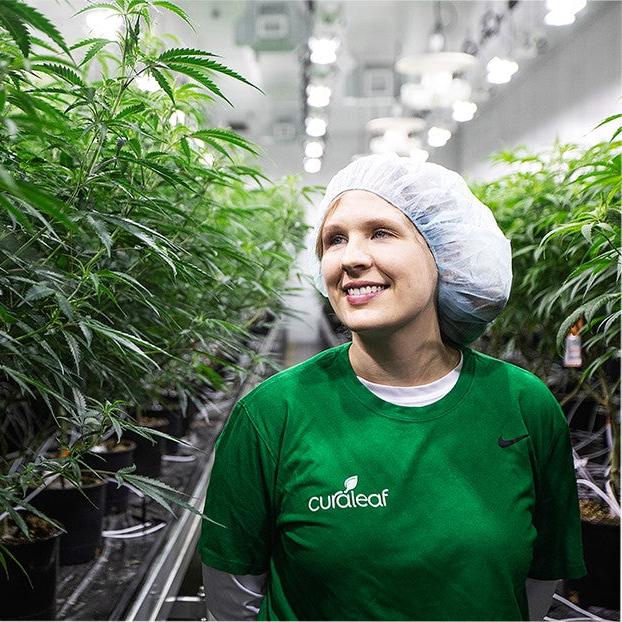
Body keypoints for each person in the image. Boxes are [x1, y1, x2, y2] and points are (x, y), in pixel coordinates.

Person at [197, 154, 586, 621]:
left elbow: (538, 576)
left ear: (446, 252)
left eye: (381, 232)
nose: (351, 257)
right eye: (334, 239)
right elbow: (233, 594)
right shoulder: (270, 414)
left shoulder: (525, 405)